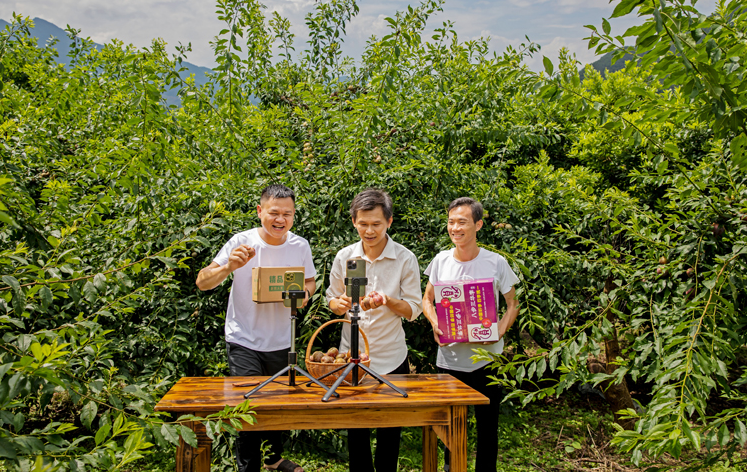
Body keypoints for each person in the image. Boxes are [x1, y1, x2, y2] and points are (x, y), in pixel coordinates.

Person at [196, 184, 314, 472]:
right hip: (244, 339)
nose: (280, 219)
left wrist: (303, 297)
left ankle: (274, 459)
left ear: (294, 216)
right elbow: (202, 281)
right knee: (247, 406)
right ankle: (248, 467)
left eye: (288, 214)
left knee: (277, 404)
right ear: (260, 211)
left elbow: (309, 282)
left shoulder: (300, 245)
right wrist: (227, 267)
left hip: (282, 339)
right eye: (274, 212)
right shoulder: (242, 242)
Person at [326, 188, 423, 472]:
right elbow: (332, 300)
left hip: (391, 358)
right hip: (351, 358)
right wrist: (338, 302)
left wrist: (388, 301)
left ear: (389, 222)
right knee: (356, 433)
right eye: (363, 224)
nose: (369, 231)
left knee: (389, 433)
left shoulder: (405, 258)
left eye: (376, 224)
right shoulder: (345, 257)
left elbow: (413, 310)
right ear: (354, 221)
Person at [422, 197, 520, 472]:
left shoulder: (496, 262)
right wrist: (434, 323)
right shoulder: (441, 260)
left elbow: (513, 303)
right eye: (451, 222)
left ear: (478, 225)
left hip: (487, 362)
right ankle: (452, 469)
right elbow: (426, 300)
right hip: (449, 361)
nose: (455, 228)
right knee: (450, 430)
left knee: (488, 429)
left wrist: (499, 331)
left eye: (462, 222)